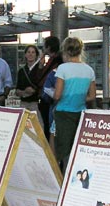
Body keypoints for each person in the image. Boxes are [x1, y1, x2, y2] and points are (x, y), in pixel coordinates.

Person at [53, 37, 95, 168]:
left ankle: (63, 174)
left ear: (65, 50)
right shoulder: (89, 70)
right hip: (81, 113)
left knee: (63, 149)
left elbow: (57, 95)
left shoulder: (62, 68)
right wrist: (79, 98)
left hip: (63, 113)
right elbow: (92, 96)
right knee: (77, 147)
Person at [37, 35, 63, 138]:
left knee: (49, 125)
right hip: (50, 97)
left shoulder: (55, 61)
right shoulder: (55, 60)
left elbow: (41, 77)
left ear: (48, 47)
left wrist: (40, 65)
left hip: (50, 97)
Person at [14, 44, 43, 123]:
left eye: (33, 52)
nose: (30, 54)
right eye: (28, 52)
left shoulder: (40, 70)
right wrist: (24, 92)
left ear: (36, 55)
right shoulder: (21, 71)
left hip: (36, 103)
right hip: (23, 103)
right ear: (25, 54)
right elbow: (17, 90)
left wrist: (34, 91)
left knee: (38, 126)